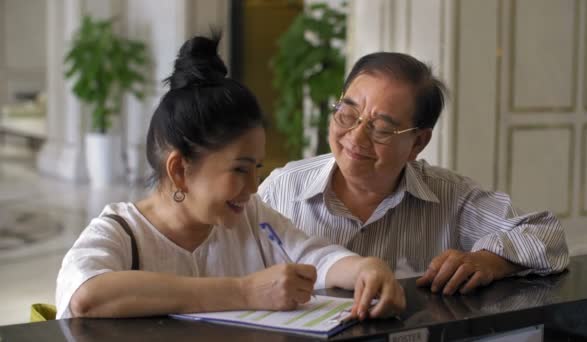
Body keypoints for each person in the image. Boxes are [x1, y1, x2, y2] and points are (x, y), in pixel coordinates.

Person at [55, 36, 405, 320]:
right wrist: (245, 292)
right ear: (180, 169)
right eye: (239, 169)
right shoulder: (120, 232)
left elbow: (316, 257)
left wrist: (366, 268)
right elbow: (87, 295)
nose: (253, 188)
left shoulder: (251, 218)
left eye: (256, 169)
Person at [258, 52, 569, 296]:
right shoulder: (282, 190)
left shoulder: (449, 197)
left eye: (381, 128)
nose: (356, 137)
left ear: (418, 142)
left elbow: (548, 235)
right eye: (348, 114)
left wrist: (489, 260)